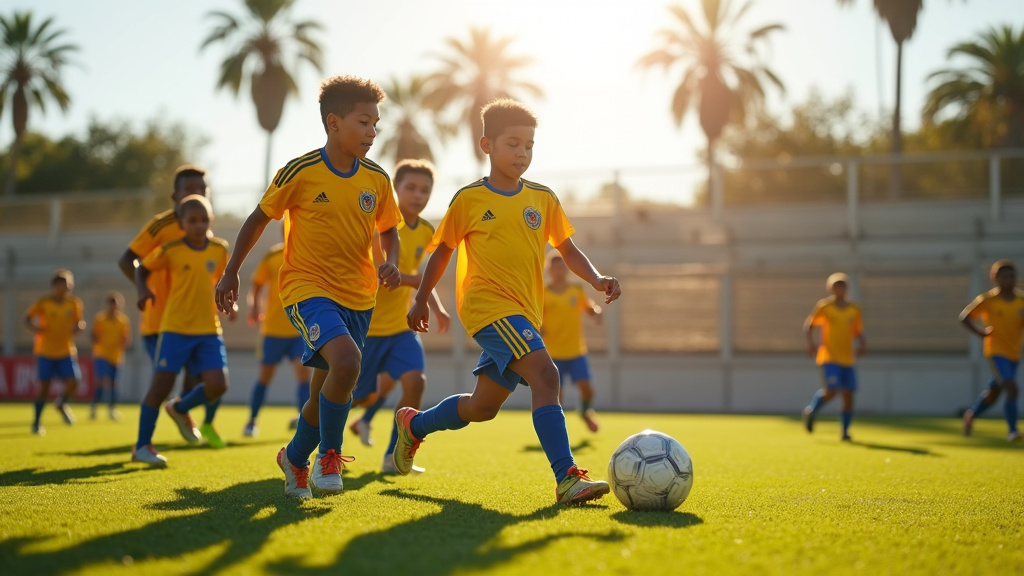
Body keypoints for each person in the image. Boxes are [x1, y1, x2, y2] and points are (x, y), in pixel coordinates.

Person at [397, 98, 621, 505]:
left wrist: (597, 278)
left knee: (482, 407)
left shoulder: (542, 198)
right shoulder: (469, 200)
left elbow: (568, 251)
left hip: (524, 316)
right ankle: (567, 478)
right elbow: (442, 253)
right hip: (487, 307)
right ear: (487, 145)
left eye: (529, 145)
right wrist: (421, 299)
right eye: (513, 143)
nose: (522, 153)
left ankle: (414, 427)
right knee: (546, 375)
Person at [215, 75, 402, 499]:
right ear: (333, 123)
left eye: (376, 123)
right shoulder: (300, 171)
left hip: (360, 296)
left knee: (324, 393)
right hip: (307, 289)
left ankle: (295, 458)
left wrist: (389, 261)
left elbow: (389, 229)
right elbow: (258, 219)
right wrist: (232, 271)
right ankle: (328, 457)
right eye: (363, 122)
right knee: (348, 363)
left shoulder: (376, 178)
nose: (372, 131)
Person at [347, 159, 451, 473]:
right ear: (396, 189)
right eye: (411, 188)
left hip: (401, 328)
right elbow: (384, 275)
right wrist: (418, 282)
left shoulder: (428, 231)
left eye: (425, 190)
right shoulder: (381, 225)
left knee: (415, 382)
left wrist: (437, 306)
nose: (418, 195)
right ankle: (315, 418)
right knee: (356, 395)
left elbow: (422, 275)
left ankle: (393, 457)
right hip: (367, 327)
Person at [117, 165, 220, 437]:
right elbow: (128, 260)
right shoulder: (161, 226)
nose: (196, 194)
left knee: (200, 376)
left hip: (197, 322)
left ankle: (180, 410)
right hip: (160, 319)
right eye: (189, 189)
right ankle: (146, 439)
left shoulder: (204, 227)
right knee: (164, 381)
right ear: (175, 197)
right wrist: (144, 290)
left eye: (202, 190)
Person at [131, 195, 233, 466]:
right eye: (192, 220)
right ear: (182, 223)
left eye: (204, 220)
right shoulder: (171, 249)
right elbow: (142, 269)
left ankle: (179, 409)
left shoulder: (219, 249)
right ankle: (142, 447)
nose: (199, 225)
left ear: (211, 221)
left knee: (217, 385)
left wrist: (229, 305)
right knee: (160, 388)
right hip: (175, 329)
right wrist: (143, 290)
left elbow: (224, 281)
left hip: (209, 330)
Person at [243, 235, 313, 437]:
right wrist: (254, 306)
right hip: (273, 330)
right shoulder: (273, 256)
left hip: (299, 331)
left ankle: (303, 421)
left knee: (303, 375)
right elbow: (257, 284)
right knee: (265, 377)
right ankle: (252, 421)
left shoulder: (311, 253)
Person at [959, 259, 1024, 442]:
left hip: (1014, 354)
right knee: (1011, 388)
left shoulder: (1021, 301)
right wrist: (981, 333)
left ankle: (971, 414)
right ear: (995, 278)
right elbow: (964, 317)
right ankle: (1013, 431)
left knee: (994, 393)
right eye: (1004, 277)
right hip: (995, 352)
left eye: (1011, 277)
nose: (1008, 280)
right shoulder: (988, 300)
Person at [542, 251, 602, 432]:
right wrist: (538, 327)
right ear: (549, 269)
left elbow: (589, 307)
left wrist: (595, 313)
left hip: (576, 350)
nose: (559, 269)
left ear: (567, 269)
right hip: (552, 353)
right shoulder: (543, 293)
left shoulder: (576, 290)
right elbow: (534, 317)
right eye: (555, 266)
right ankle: (557, 430)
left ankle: (584, 412)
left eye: (562, 265)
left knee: (587, 390)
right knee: (556, 396)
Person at [801, 272, 865, 441]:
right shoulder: (824, 307)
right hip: (829, 357)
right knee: (832, 391)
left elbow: (857, 331)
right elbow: (810, 325)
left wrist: (862, 344)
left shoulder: (854, 309)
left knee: (849, 394)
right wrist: (811, 344)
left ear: (846, 289)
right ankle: (812, 410)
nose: (839, 289)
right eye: (836, 286)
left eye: (842, 286)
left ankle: (845, 432)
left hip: (848, 358)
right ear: (831, 289)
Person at [24, 269, 85, 435]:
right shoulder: (44, 302)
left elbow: (79, 322)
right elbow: (27, 318)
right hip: (45, 351)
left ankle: (61, 403)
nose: (66, 288)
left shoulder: (74, 303)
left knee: (75, 381)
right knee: (44, 387)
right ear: (55, 286)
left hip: (66, 350)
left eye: (68, 285)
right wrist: (37, 328)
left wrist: (78, 328)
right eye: (63, 285)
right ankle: (36, 422)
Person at [90, 291, 132, 421]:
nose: (114, 307)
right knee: (101, 381)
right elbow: (93, 335)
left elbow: (126, 338)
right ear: (108, 304)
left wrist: (123, 343)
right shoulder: (100, 319)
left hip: (116, 355)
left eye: (116, 304)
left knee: (114, 383)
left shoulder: (123, 321)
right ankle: (94, 407)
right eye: (112, 304)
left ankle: (112, 409)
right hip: (101, 354)